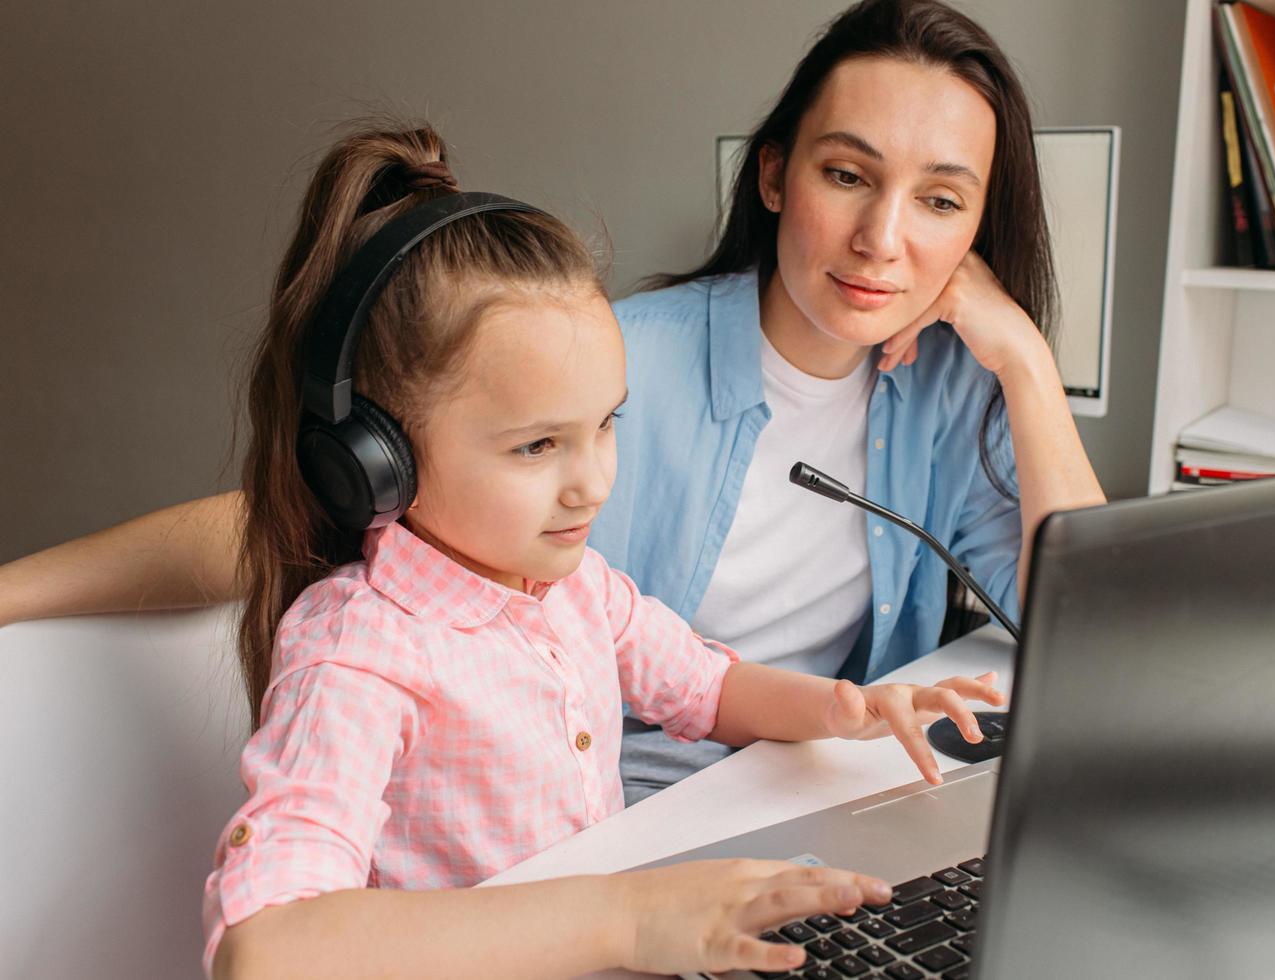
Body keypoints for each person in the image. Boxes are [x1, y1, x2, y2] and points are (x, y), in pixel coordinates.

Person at [0, 0, 1105, 804]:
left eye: (941, 200)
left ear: (976, 229)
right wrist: (14, 589)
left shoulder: (952, 393)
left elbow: (1084, 631)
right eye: (847, 175)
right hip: (613, 815)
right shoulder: (620, 364)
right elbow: (298, 520)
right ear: (775, 178)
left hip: (820, 783)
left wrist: (1022, 359)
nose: (883, 239)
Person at [200, 122, 1005, 979]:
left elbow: (708, 687)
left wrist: (845, 710)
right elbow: (264, 947)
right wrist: (620, 917)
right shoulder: (361, 650)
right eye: (537, 447)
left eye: (605, 425)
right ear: (376, 461)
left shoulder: (576, 585)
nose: (592, 484)